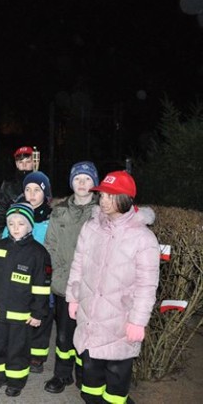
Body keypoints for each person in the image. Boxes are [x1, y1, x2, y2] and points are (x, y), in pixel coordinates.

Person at [66, 171, 159, 404]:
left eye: (111, 196)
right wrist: (74, 297)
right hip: (90, 318)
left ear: (126, 199)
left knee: (116, 386)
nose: (104, 201)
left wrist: (138, 321)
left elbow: (147, 284)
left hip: (120, 322)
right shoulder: (91, 227)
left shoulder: (144, 238)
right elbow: (78, 263)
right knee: (90, 384)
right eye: (102, 195)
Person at [0, 202, 50, 397]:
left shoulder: (38, 253)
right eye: (11, 224)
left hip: (22, 315)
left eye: (21, 224)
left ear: (30, 226)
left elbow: (41, 288)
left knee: (18, 350)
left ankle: (16, 381)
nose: (16, 228)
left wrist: (38, 313)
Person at [43, 161, 99, 394]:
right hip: (65, 283)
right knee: (65, 334)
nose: (82, 183)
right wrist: (58, 274)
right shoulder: (60, 211)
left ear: (94, 183)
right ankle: (61, 375)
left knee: (88, 333)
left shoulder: (102, 212)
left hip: (94, 286)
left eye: (87, 179)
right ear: (71, 182)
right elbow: (51, 245)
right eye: (78, 179)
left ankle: (85, 375)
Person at [2, 170, 54, 373]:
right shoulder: (16, 214)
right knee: (21, 315)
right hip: (19, 275)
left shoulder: (51, 218)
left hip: (41, 274)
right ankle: (19, 350)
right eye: (27, 189)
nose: (32, 194)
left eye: (37, 190)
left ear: (45, 193)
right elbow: (7, 238)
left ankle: (37, 355)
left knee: (41, 315)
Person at [0, 146, 35, 234]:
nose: (24, 165)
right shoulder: (8, 183)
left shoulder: (40, 181)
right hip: (12, 229)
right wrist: (1, 231)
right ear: (16, 164)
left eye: (28, 161)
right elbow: (2, 209)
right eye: (21, 162)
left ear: (33, 163)